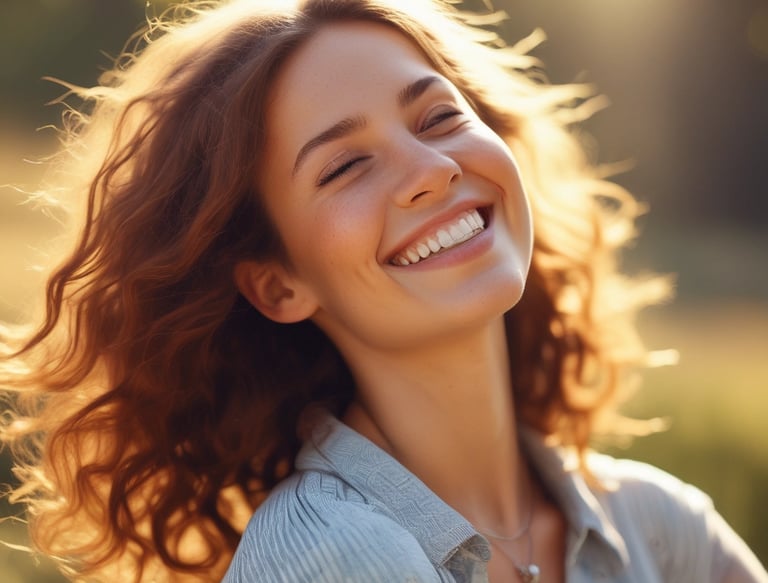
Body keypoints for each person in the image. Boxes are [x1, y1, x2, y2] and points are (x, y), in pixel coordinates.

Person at [1, 0, 765, 581]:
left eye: (438, 117)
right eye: (345, 166)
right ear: (278, 285)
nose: (433, 169)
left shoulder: (662, 525)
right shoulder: (327, 557)